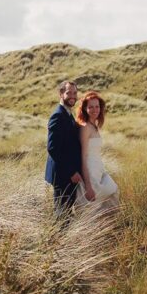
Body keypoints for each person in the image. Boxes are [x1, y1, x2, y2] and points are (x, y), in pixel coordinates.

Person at [45, 81, 93, 219]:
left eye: (74, 93)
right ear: (61, 94)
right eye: (68, 93)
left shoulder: (68, 114)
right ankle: (56, 239)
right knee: (61, 214)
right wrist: (71, 172)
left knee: (66, 213)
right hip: (63, 176)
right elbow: (53, 148)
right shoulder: (58, 116)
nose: (72, 96)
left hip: (69, 176)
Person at [75, 91, 120, 213]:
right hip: (89, 171)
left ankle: (108, 227)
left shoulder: (94, 126)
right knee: (91, 206)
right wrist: (88, 185)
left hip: (98, 169)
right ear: (85, 109)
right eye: (90, 107)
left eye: (97, 106)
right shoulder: (85, 128)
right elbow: (83, 157)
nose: (95, 109)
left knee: (113, 191)